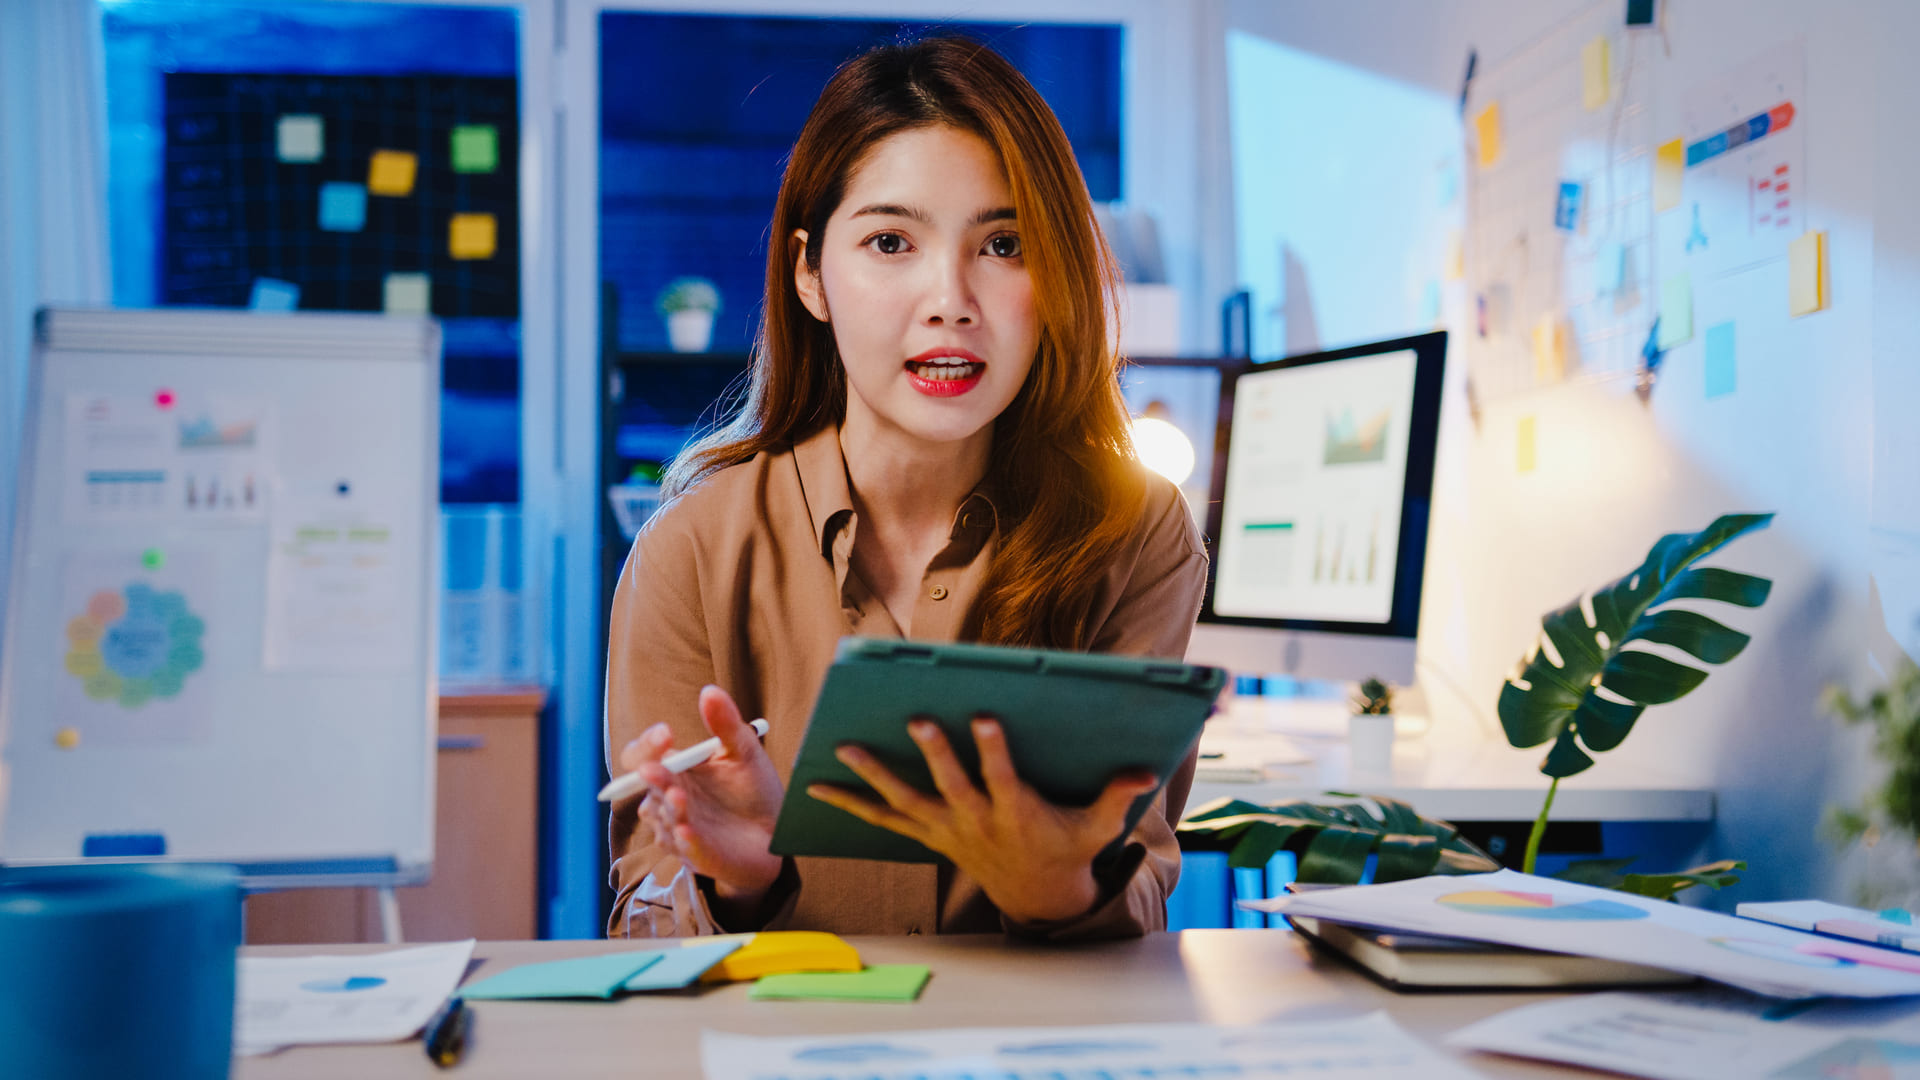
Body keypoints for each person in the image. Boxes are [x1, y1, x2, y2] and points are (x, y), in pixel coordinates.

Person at [604, 35, 1207, 941]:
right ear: (810, 274)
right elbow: (639, 927)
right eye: (890, 241)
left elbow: (1141, 887)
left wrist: (1061, 887)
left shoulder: (1135, 532)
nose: (950, 299)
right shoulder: (689, 549)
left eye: (1003, 244)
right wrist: (737, 880)